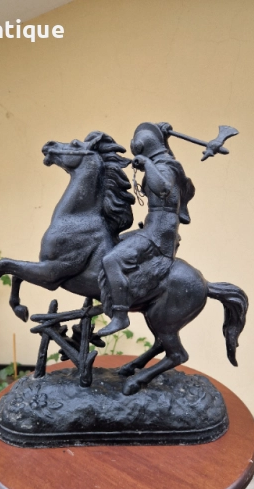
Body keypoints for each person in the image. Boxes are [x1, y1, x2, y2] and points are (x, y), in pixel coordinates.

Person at [97, 121, 195, 337]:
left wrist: (147, 164)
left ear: (140, 148)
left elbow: (163, 188)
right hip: (154, 229)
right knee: (110, 245)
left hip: (158, 234)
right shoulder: (167, 163)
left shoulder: (163, 167)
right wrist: (164, 138)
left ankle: (120, 315)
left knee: (111, 260)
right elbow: (167, 161)